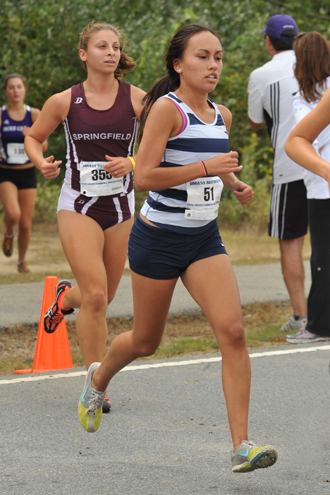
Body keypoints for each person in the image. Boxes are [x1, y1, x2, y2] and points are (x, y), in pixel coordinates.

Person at [77, 23, 278, 474]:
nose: (213, 65)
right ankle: (98, 377)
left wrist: (232, 181)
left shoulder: (221, 114)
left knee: (234, 332)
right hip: (159, 239)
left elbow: (211, 162)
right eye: (203, 56)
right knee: (146, 342)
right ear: (177, 64)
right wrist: (207, 166)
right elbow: (144, 176)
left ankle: (241, 444)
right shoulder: (167, 111)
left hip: (205, 237)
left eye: (219, 57)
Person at [24, 22, 145, 414]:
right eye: (101, 46)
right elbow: (32, 136)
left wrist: (132, 161)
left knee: (102, 297)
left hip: (122, 207)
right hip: (77, 204)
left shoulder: (139, 100)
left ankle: (62, 299)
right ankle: (96, 384)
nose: (110, 52)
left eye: (115, 46)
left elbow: (169, 142)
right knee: (95, 294)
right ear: (84, 54)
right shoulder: (64, 101)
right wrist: (40, 161)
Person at [247, 14, 308, 333]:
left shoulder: (261, 74)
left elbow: (255, 121)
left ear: (268, 42)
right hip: (323, 164)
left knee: (291, 243)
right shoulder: (317, 64)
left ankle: (302, 316)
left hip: (290, 167)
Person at [285, 32, 330, 344]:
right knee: (323, 259)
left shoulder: (304, 99)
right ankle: (318, 323)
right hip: (320, 184)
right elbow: (305, 139)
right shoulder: (304, 97)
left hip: (321, 186)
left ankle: (319, 325)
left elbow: (309, 138)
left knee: (323, 260)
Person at [0, 73, 47, 273]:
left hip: (28, 173)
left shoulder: (34, 114)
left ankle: (21, 261)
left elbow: (44, 145)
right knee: (13, 213)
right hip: (6, 173)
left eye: (19, 87)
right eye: (11, 87)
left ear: (25, 90)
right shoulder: (1, 115)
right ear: (6, 92)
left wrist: (32, 137)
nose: (16, 91)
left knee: (26, 224)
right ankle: (9, 233)